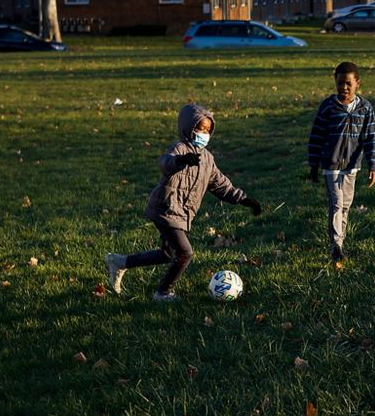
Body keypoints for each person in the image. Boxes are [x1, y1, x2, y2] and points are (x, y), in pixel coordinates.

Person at [106, 103, 262, 301]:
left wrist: (246, 200)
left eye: (207, 130)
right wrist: (181, 161)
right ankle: (163, 292)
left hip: (181, 214)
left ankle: (120, 262)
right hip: (165, 209)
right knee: (185, 253)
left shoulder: (207, 159)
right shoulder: (179, 149)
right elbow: (165, 163)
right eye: (199, 128)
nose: (203, 134)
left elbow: (222, 185)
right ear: (188, 128)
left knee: (168, 254)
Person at [308, 61, 375, 262]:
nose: (344, 88)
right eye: (340, 83)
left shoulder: (365, 109)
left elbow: (371, 138)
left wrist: (373, 165)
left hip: (352, 166)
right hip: (330, 165)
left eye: (348, 83)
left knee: (346, 205)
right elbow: (317, 136)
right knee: (336, 203)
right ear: (335, 82)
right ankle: (336, 246)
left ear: (358, 83)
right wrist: (314, 164)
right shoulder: (328, 107)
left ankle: (340, 240)